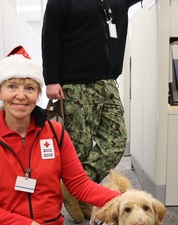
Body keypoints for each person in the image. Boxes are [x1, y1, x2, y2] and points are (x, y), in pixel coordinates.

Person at [0, 46, 121, 225]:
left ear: (38, 94)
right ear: (0, 92)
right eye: (12, 87)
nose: (21, 95)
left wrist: (124, 200)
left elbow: (80, 185)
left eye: (30, 88)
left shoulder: (55, 133)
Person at [41, 0, 142, 222]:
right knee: (80, 147)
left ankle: (74, 186)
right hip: (76, 85)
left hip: (108, 82)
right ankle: (81, 194)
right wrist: (52, 79)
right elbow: (50, 37)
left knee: (116, 142)